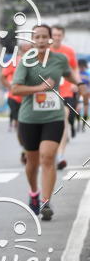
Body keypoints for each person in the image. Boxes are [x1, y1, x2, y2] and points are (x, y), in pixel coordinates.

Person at [11, 24, 75, 221]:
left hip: (53, 117)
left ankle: (46, 202)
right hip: (29, 118)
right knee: (33, 161)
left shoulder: (60, 59)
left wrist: (79, 83)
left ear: (50, 39)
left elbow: (69, 73)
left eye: (44, 37)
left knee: (48, 157)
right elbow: (15, 89)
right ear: (33, 40)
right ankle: (34, 192)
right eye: (36, 37)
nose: (40, 40)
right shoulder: (25, 61)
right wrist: (40, 87)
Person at [51, 25, 81, 169]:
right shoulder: (45, 51)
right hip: (48, 93)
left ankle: (60, 155)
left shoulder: (69, 52)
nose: (57, 37)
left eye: (59, 35)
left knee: (63, 120)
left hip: (66, 91)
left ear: (63, 36)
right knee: (52, 123)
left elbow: (75, 68)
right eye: (54, 35)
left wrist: (77, 82)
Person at [78, 59, 90, 131]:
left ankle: (83, 125)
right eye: (80, 66)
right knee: (78, 108)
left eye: (83, 66)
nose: (81, 68)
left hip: (86, 93)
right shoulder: (77, 73)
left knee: (85, 109)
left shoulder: (88, 74)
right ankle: (78, 123)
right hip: (78, 93)